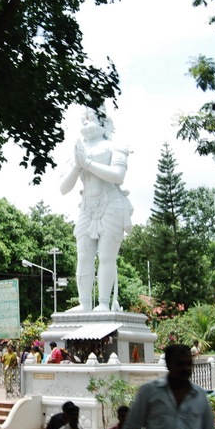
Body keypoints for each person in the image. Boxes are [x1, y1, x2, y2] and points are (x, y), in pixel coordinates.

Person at [60, 106, 133, 312]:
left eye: (90, 117)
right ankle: (84, 304)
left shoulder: (114, 146)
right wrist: (77, 165)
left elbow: (118, 176)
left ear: (104, 122)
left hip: (111, 203)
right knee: (83, 255)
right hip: (86, 207)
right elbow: (63, 188)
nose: (86, 122)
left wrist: (88, 163)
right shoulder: (77, 151)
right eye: (83, 119)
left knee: (106, 257)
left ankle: (102, 303)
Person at [115, 344, 215, 429]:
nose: (185, 368)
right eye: (179, 364)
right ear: (168, 365)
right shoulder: (149, 392)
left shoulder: (200, 396)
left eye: (188, 364)